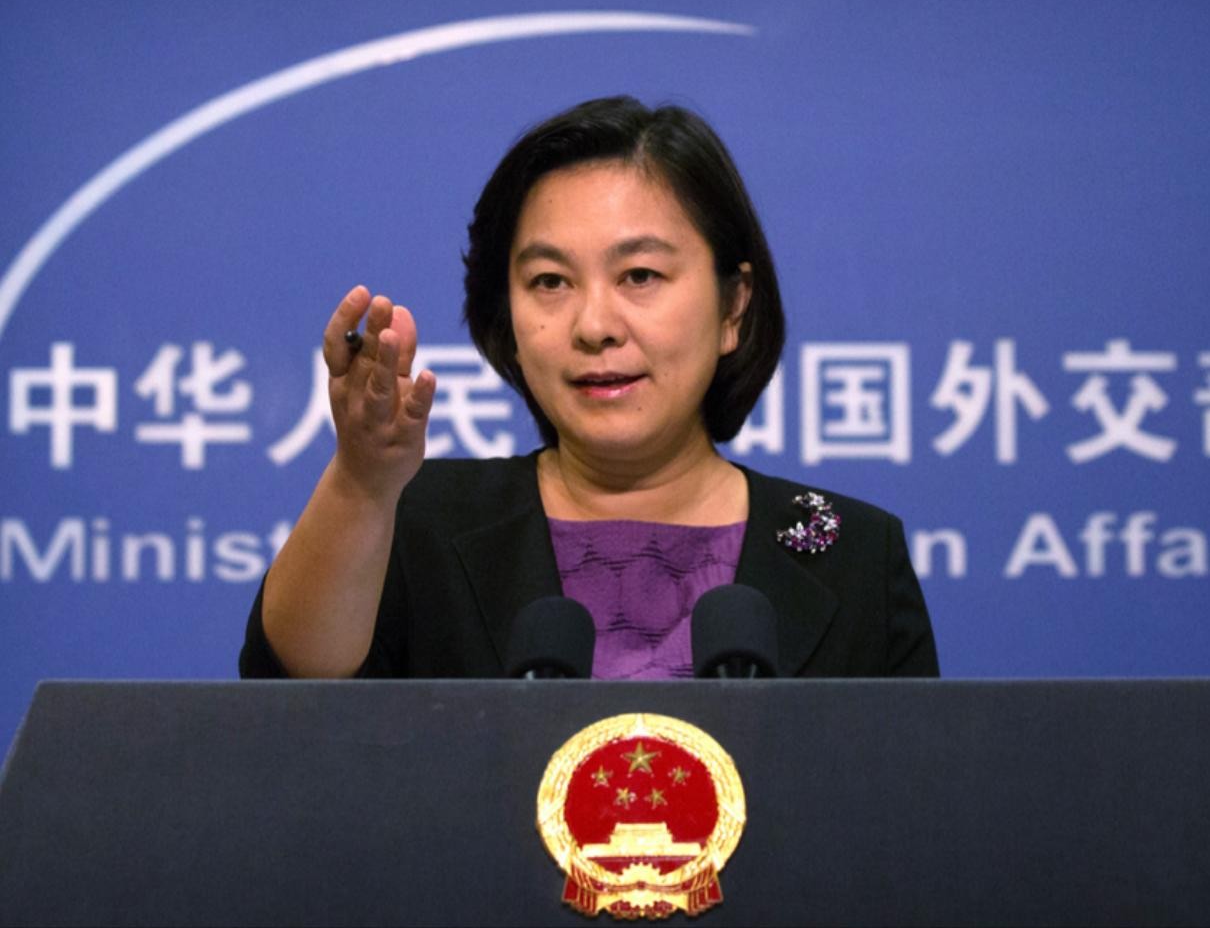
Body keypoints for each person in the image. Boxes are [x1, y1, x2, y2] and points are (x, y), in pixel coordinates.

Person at [240, 96, 938, 680]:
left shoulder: (854, 556)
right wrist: (362, 483)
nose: (594, 326)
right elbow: (291, 700)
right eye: (550, 281)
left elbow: (907, 794)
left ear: (733, 306)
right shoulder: (416, 521)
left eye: (640, 276)